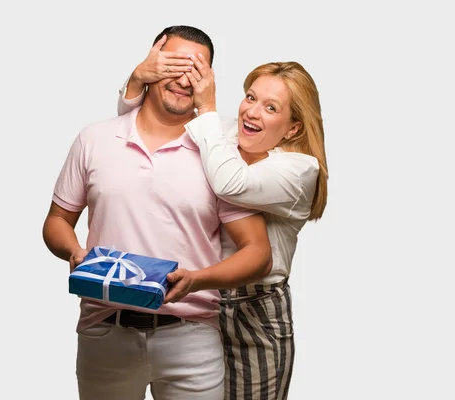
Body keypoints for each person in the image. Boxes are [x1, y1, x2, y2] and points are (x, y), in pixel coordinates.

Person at [42, 25, 274, 400]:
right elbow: (56, 220)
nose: (184, 79)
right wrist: (74, 252)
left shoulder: (220, 157)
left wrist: (197, 280)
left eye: (197, 71)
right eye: (174, 64)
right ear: (152, 60)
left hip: (192, 337)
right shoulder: (94, 139)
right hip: (104, 330)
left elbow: (258, 253)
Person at [117, 45, 328, 400]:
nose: (252, 112)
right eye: (250, 97)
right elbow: (150, 126)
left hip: (254, 311)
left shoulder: (299, 170)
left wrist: (208, 108)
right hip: (204, 304)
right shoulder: (226, 135)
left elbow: (230, 183)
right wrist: (139, 78)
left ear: (293, 128)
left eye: (270, 107)